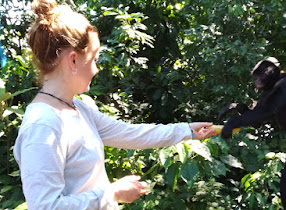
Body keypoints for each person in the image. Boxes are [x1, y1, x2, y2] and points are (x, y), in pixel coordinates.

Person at [13, 0, 216, 209]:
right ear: (73, 60)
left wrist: (186, 131)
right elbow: (45, 207)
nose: (96, 70)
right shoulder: (43, 126)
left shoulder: (77, 109)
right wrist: (114, 192)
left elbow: (130, 134)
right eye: (94, 60)